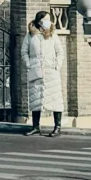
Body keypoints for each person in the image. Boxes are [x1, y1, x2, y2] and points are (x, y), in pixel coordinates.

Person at [22, 8, 65, 136]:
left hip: (51, 70)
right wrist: (29, 64)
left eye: (49, 19)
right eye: (45, 19)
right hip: (36, 70)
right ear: (39, 21)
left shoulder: (52, 34)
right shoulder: (30, 35)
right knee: (35, 98)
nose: (48, 21)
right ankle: (36, 126)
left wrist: (57, 65)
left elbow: (60, 52)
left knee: (55, 99)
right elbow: (24, 51)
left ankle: (57, 126)